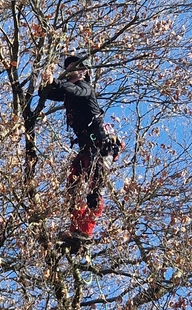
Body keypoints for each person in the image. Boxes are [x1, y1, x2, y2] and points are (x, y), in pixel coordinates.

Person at [40, 56, 123, 251]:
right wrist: (45, 79)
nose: (69, 70)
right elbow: (48, 92)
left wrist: (56, 81)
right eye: (67, 68)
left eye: (72, 68)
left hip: (103, 146)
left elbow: (73, 89)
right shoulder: (68, 92)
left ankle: (85, 232)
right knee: (72, 186)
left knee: (95, 189)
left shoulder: (85, 88)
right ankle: (75, 231)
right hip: (87, 148)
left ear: (83, 71)